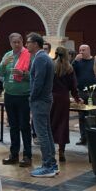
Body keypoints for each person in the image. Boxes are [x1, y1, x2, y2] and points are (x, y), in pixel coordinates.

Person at [0, 32, 33, 167]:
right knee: (13, 126)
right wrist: (3, 64)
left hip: (23, 95)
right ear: (10, 43)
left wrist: (23, 74)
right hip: (9, 95)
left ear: (22, 42)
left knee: (24, 126)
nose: (17, 44)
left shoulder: (28, 55)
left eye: (19, 42)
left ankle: (27, 156)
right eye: (14, 42)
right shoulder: (7, 55)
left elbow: (34, 75)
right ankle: (14, 154)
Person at [27, 33, 57, 177]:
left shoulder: (40, 58)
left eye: (28, 42)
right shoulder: (45, 57)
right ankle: (52, 164)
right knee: (47, 132)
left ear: (35, 44)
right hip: (45, 99)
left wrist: (31, 98)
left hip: (40, 100)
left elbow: (38, 81)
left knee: (42, 134)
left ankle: (48, 166)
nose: (26, 45)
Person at [50, 46, 81, 162]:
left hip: (51, 97)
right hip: (63, 98)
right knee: (63, 123)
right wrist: (77, 98)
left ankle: (50, 151)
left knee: (51, 123)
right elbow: (73, 86)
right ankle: (61, 150)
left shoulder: (51, 65)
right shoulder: (69, 68)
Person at [72, 44, 96, 144]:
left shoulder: (95, 61)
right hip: (81, 92)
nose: (81, 52)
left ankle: (95, 138)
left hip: (93, 92)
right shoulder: (77, 62)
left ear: (89, 51)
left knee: (93, 115)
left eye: (83, 50)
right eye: (80, 50)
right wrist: (75, 61)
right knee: (81, 116)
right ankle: (83, 138)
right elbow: (70, 71)